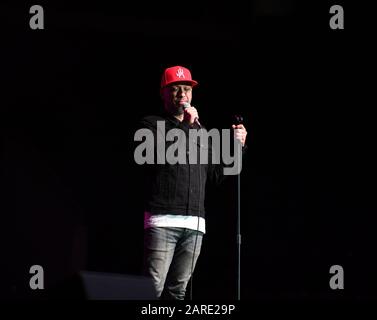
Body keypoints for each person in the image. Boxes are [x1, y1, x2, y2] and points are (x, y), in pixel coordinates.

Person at [137, 65, 247, 300]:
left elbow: (216, 174)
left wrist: (237, 148)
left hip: (195, 224)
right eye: (175, 89)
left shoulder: (202, 132)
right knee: (151, 290)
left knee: (178, 292)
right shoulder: (151, 124)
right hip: (163, 220)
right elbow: (155, 160)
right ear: (163, 94)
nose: (182, 95)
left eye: (186, 89)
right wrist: (185, 126)